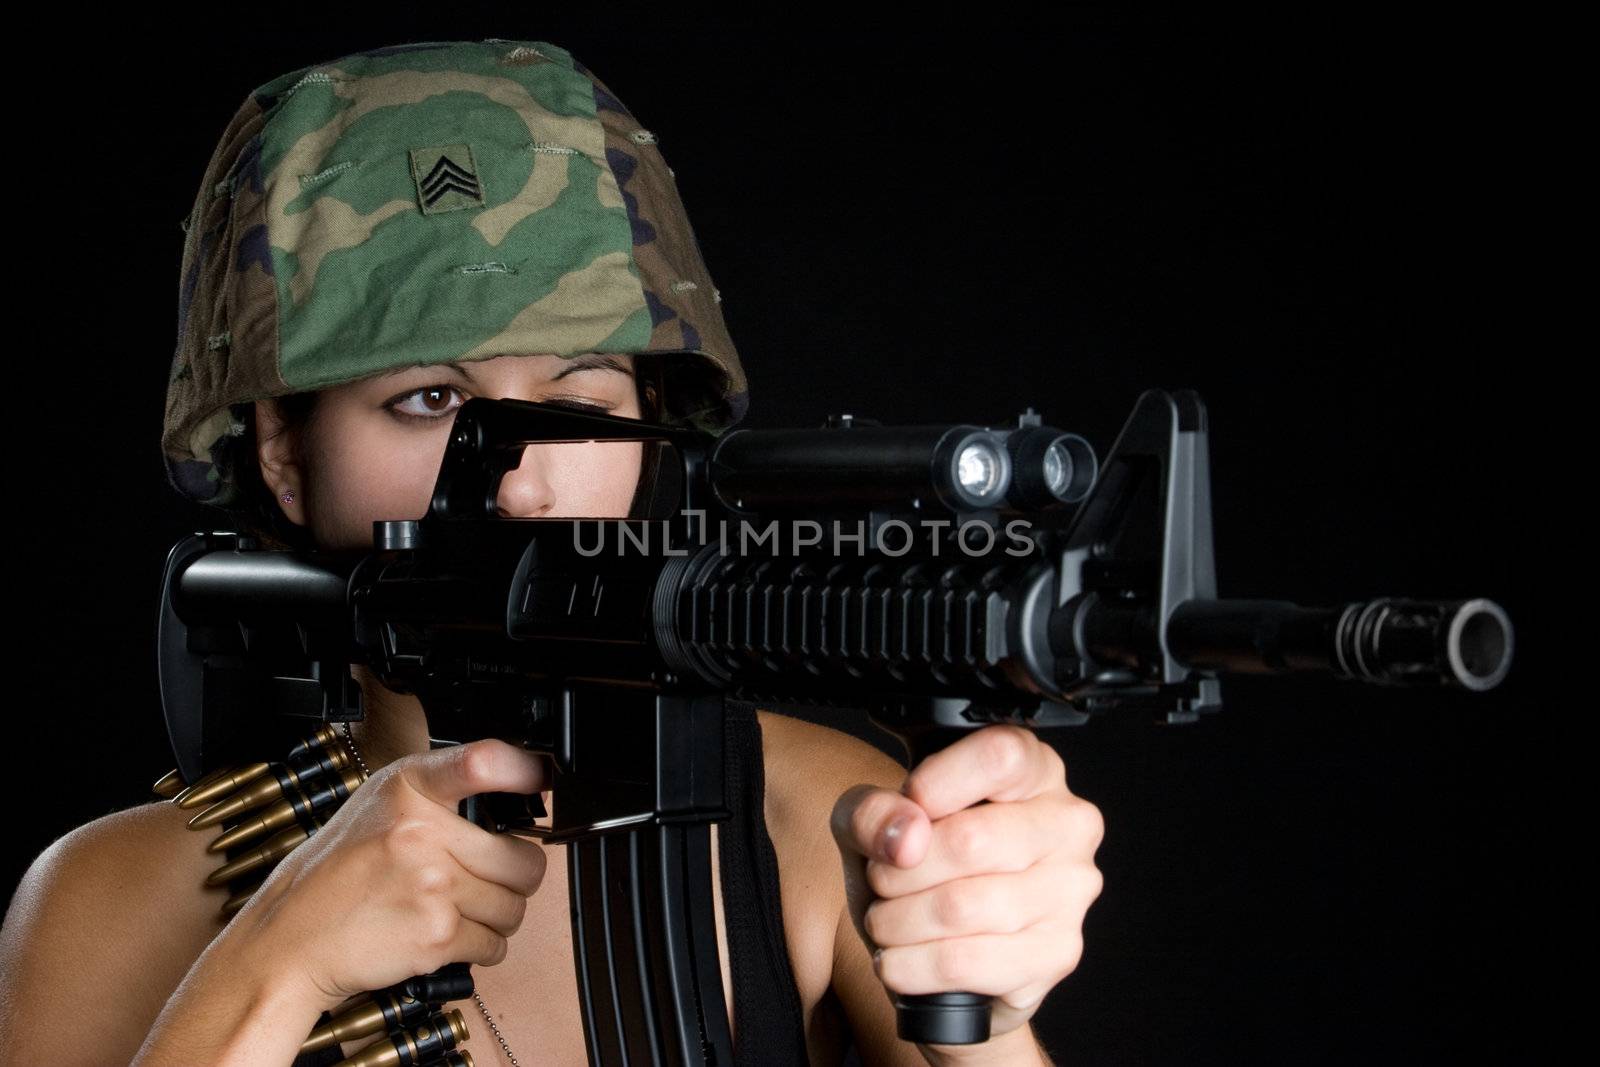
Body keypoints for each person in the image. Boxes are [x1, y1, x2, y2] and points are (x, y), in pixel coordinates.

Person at [0, 40, 1103, 1067]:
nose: (525, 481)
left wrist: (981, 1012)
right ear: (286, 453)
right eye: (430, 399)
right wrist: (278, 958)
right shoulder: (109, 898)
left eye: (581, 394)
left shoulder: (816, 821)